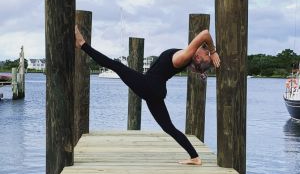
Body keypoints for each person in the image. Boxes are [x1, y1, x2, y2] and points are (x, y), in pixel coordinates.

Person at [75, 25, 220, 165]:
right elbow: (204, 40)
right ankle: (195, 157)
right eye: (206, 51)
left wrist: (213, 51)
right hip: (154, 91)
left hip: (149, 86)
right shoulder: (187, 56)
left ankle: (82, 44)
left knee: (115, 65)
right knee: (168, 127)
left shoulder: (185, 56)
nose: (204, 50)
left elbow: (205, 33)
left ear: (198, 58)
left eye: (206, 53)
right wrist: (211, 55)